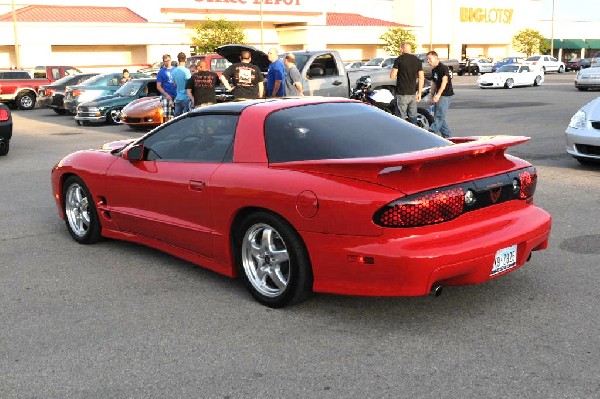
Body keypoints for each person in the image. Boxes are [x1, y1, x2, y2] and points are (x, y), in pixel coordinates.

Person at [389, 42, 424, 125]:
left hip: (402, 93)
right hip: (413, 93)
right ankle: (414, 134)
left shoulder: (399, 59)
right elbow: (421, 77)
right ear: (410, 49)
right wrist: (419, 93)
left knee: (401, 118)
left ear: (402, 49)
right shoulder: (417, 61)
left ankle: (402, 135)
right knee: (413, 117)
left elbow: (392, 76)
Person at [427, 50, 454, 138]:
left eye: (430, 59)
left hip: (445, 94)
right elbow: (434, 84)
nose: (428, 61)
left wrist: (438, 95)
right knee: (439, 116)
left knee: (439, 116)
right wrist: (431, 96)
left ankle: (431, 131)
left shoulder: (443, 68)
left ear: (436, 58)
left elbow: (444, 82)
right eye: (427, 59)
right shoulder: (434, 70)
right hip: (439, 94)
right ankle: (448, 136)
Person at [156, 54, 177, 123]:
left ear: (171, 60)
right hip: (166, 96)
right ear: (163, 62)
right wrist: (166, 95)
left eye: (168, 60)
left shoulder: (175, 70)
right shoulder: (161, 72)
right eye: (165, 61)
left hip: (176, 95)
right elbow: (158, 86)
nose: (167, 62)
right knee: (167, 116)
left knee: (176, 115)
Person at [172, 52, 192, 116]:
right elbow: (190, 83)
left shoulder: (174, 71)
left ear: (178, 60)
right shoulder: (186, 71)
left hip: (178, 97)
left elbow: (174, 84)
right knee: (187, 117)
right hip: (186, 97)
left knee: (177, 117)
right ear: (186, 59)